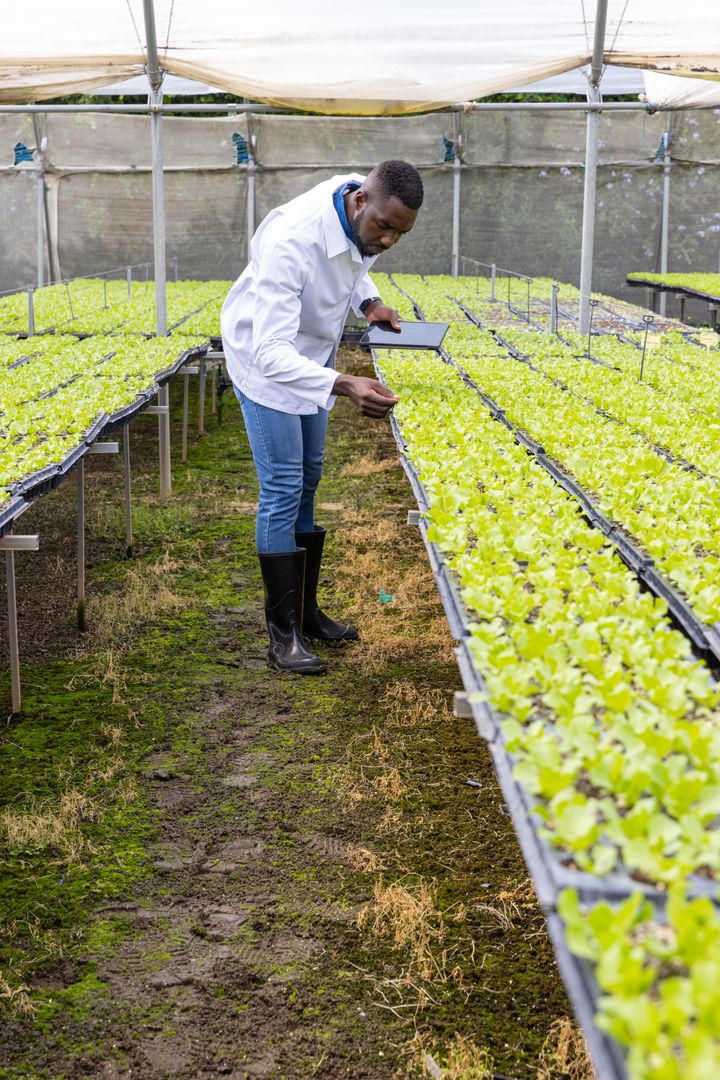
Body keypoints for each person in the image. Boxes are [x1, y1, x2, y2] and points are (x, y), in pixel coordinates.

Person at [221, 159, 423, 675]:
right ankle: (281, 634)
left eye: (401, 233)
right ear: (361, 204)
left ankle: (306, 613)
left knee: (309, 478)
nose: (388, 242)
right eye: (384, 227)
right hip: (265, 356)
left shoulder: (357, 198)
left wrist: (370, 302)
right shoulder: (292, 240)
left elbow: (354, 258)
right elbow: (270, 352)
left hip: (312, 352)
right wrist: (346, 383)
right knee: (284, 483)